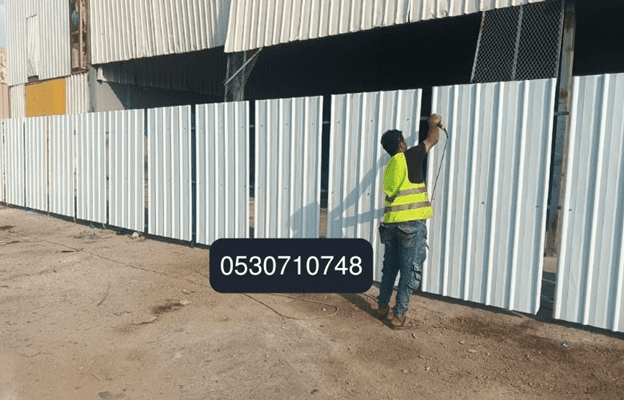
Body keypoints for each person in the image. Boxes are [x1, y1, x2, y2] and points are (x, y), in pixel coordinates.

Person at [376, 114, 444, 330]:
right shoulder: (409, 156)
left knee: (390, 269)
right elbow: (432, 139)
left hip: (390, 225)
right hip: (410, 226)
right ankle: (398, 316)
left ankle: (382, 307)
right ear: (401, 144)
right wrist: (433, 122)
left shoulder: (390, 167)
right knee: (409, 271)